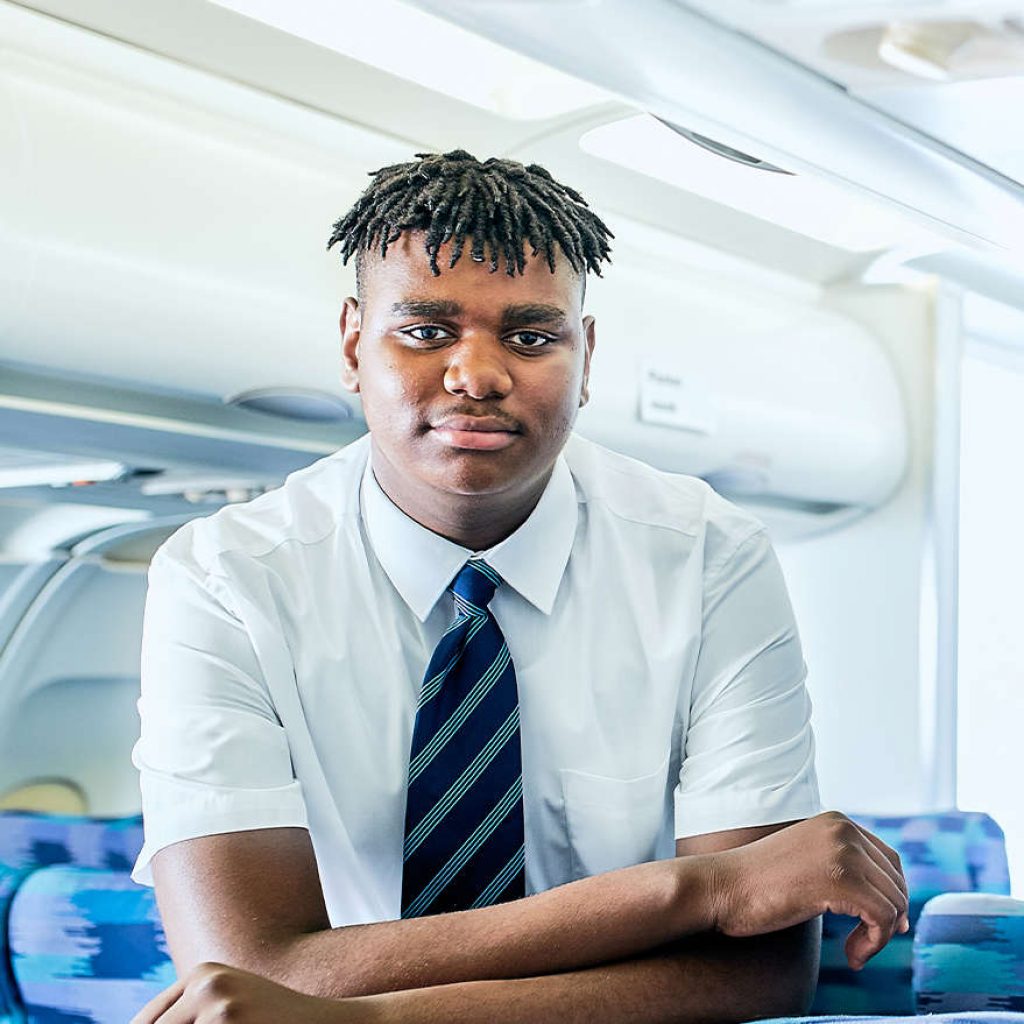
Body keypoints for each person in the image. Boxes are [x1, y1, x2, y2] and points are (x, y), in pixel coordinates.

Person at [130, 150, 909, 1024]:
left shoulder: (708, 559)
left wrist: (366, 1013)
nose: (478, 376)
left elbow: (756, 975)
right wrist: (700, 891)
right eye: (425, 331)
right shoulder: (226, 577)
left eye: (532, 336)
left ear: (587, 355)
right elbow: (246, 978)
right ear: (353, 344)